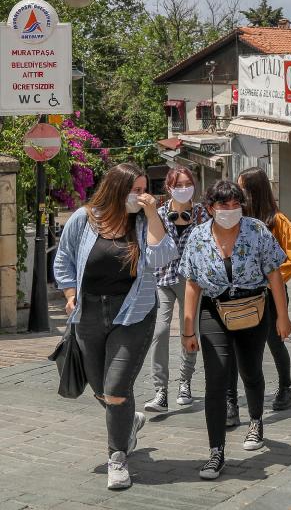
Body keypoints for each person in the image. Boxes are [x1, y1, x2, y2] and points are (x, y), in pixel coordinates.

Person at [53, 162, 178, 491]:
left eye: (144, 189)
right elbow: (64, 259)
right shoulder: (84, 219)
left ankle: (117, 458)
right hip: (89, 313)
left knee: (116, 389)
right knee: (101, 389)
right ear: (116, 189)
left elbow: (162, 257)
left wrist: (152, 214)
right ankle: (128, 422)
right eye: (135, 190)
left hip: (133, 313)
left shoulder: (146, 221)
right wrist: (70, 294)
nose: (141, 195)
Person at [179, 179, 291, 480]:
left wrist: (282, 317)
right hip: (213, 310)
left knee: (250, 370)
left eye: (235, 204)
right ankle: (215, 451)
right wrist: (187, 330)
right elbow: (192, 283)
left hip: (253, 308)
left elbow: (274, 275)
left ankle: (256, 421)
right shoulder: (198, 237)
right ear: (210, 208)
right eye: (223, 205)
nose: (230, 210)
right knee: (216, 379)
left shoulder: (257, 231)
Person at [226, 167, 291, 426]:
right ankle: (230, 400)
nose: (239, 193)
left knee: (275, 341)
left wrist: (268, 279)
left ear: (254, 190)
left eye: (242, 188)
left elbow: (290, 259)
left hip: (271, 293)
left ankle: (286, 387)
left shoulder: (278, 221)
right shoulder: (236, 219)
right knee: (235, 346)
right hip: (242, 295)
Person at [145, 166, 207, 413]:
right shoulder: (159, 214)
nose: (183, 189)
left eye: (187, 184)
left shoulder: (202, 214)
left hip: (191, 280)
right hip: (163, 277)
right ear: (169, 187)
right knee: (159, 331)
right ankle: (160, 390)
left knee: (188, 330)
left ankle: (185, 382)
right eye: (178, 185)